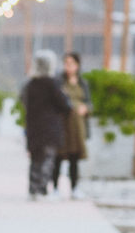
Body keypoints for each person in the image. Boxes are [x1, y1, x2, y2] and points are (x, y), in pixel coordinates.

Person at [20, 50, 72, 200]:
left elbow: (23, 102)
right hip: (50, 128)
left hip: (33, 127)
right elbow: (64, 105)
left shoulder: (29, 84)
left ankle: (33, 189)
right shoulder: (52, 83)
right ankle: (41, 190)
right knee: (47, 159)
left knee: (35, 159)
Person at [55, 52, 92, 199]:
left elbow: (89, 103)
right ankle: (55, 188)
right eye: (66, 63)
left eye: (71, 63)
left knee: (74, 158)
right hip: (62, 125)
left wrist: (86, 108)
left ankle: (74, 188)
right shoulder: (59, 82)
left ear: (77, 65)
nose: (68, 66)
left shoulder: (83, 83)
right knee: (58, 157)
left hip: (78, 127)